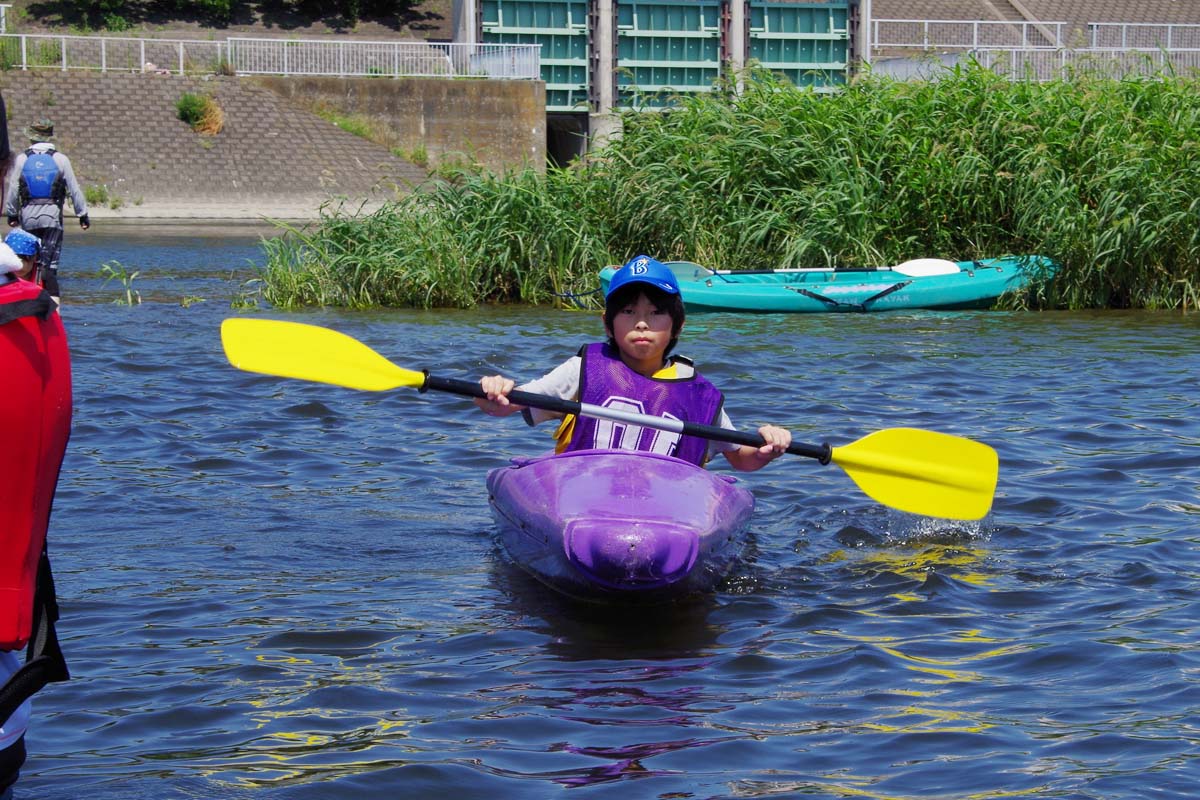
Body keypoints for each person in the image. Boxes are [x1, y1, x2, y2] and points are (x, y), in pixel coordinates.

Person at [475, 254, 792, 471]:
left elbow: (741, 459)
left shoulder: (700, 394)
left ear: (678, 325)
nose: (642, 323)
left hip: (664, 508)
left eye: (656, 313)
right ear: (608, 323)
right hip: (584, 496)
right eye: (628, 312)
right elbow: (502, 406)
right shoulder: (583, 370)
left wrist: (768, 446)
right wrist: (493, 390)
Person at [4, 119, 90, 302]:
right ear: (50, 135)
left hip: (28, 218)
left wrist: (12, 213)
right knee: (49, 265)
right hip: (52, 219)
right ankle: (50, 301)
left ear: (31, 137)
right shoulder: (61, 159)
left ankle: (26, 297)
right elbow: (74, 189)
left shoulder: (22, 159)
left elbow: (12, 188)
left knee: (29, 260)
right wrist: (82, 214)